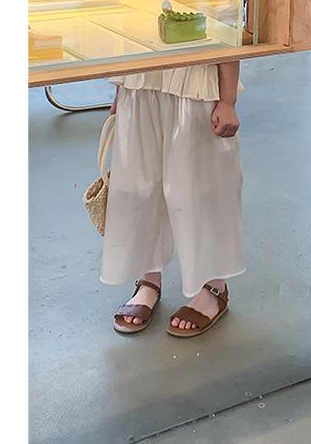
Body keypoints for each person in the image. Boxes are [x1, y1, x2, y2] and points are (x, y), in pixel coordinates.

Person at [101, 58, 244, 337]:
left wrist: (228, 100)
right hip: (140, 77)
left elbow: (229, 32)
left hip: (196, 74)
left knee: (200, 186)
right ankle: (148, 277)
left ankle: (214, 286)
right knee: (139, 185)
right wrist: (120, 85)